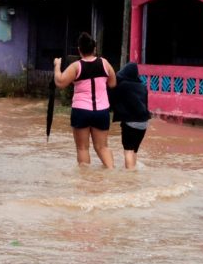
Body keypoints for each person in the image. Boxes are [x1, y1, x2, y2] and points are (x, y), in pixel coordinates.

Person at [54, 32, 117, 168]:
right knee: (102, 147)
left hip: (81, 111)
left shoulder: (76, 66)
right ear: (94, 49)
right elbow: (112, 83)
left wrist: (57, 66)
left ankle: (84, 181)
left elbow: (60, 82)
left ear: (79, 50)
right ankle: (112, 173)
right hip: (101, 111)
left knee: (82, 148)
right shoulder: (104, 63)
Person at [109, 62, 151, 170]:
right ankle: (133, 170)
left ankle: (130, 176)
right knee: (134, 150)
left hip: (131, 123)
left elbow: (112, 97)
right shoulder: (143, 87)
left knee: (128, 150)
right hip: (144, 123)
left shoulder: (123, 85)